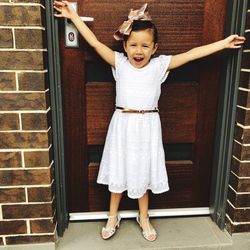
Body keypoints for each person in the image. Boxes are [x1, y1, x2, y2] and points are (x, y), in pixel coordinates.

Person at [53, 1, 245, 242]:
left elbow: (191, 54)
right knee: (118, 170)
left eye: (145, 45)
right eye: (133, 45)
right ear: (124, 45)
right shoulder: (120, 63)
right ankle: (113, 216)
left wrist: (223, 43)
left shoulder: (159, 66)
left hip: (148, 126)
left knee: (142, 171)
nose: (138, 50)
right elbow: (93, 42)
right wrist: (73, 16)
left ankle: (144, 217)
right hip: (122, 124)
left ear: (155, 48)